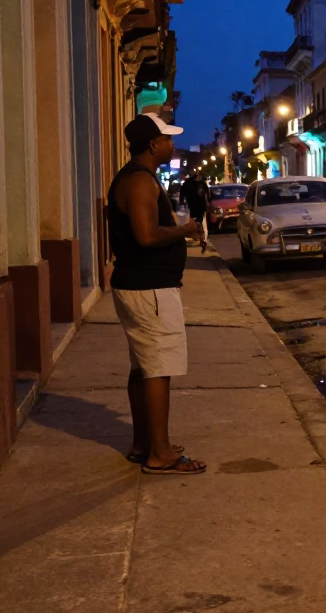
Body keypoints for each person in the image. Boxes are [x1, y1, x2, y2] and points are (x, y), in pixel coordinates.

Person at [108, 113, 207, 475]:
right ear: (152, 144)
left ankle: (143, 443)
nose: (172, 144)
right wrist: (184, 230)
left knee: (144, 368)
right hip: (147, 288)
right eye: (167, 138)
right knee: (158, 369)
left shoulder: (140, 178)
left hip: (143, 284)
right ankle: (160, 453)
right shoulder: (138, 182)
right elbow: (146, 236)